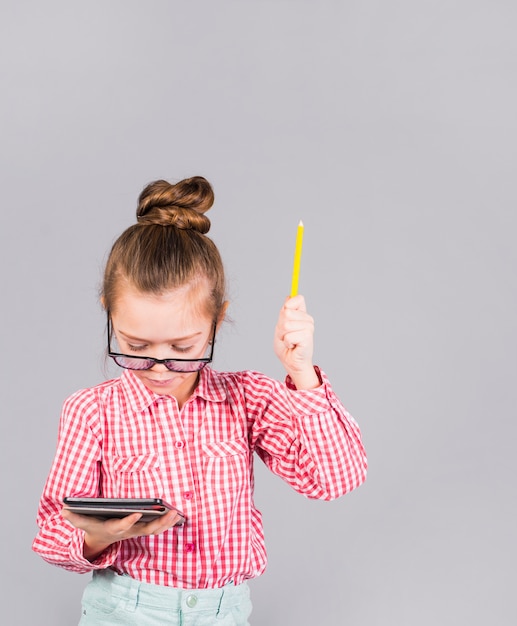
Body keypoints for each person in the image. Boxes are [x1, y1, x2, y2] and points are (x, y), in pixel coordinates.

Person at [32, 176, 367, 625]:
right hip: (125, 611)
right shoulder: (91, 411)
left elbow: (334, 480)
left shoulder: (248, 399)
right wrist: (98, 537)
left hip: (223, 612)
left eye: (183, 349)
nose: (159, 366)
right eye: (135, 346)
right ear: (109, 314)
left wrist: (301, 374)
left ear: (218, 321)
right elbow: (52, 534)